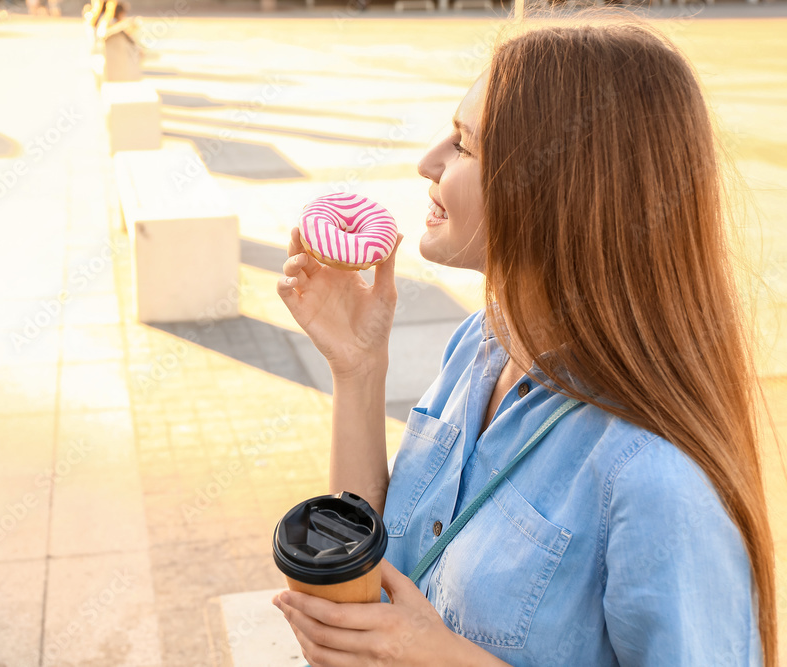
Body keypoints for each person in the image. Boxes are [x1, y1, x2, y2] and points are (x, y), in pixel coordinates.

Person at [273, 13, 778, 667]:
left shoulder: (657, 479)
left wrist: (444, 657)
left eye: (463, 143)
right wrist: (359, 368)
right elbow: (384, 558)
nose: (426, 161)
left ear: (555, 189)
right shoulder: (481, 346)